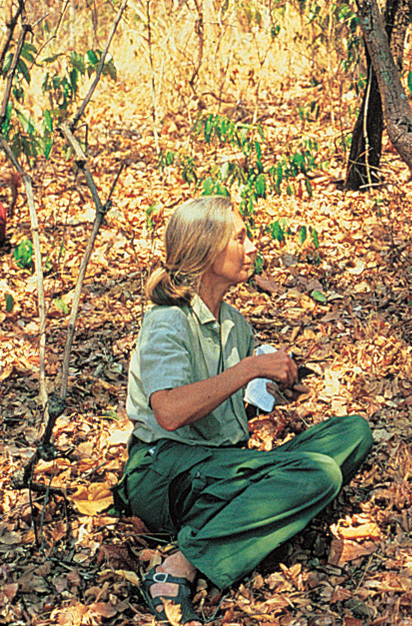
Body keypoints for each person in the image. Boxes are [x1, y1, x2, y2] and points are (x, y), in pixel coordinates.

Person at [113, 196, 373, 625]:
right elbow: (170, 412)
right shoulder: (167, 320)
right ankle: (180, 564)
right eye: (240, 237)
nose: (252, 246)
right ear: (207, 249)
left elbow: (231, 399)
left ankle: (248, 502)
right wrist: (248, 367)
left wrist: (273, 387)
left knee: (354, 432)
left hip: (221, 462)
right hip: (164, 470)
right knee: (319, 474)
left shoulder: (234, 322)